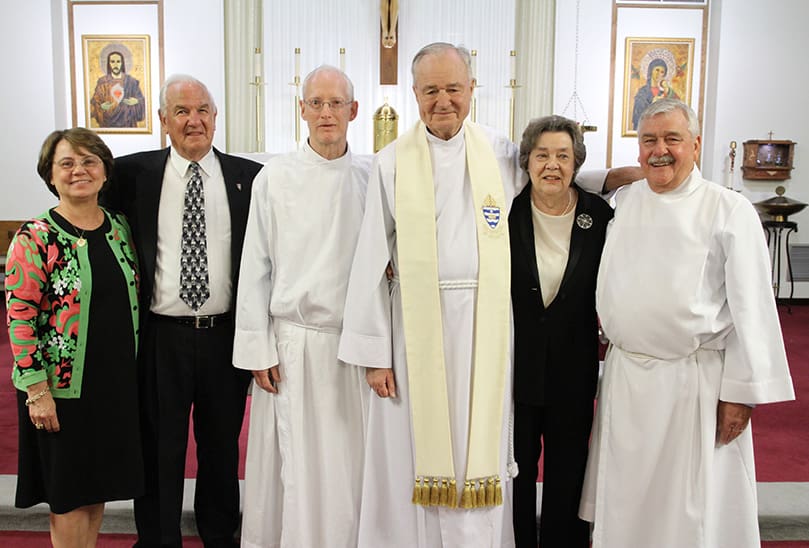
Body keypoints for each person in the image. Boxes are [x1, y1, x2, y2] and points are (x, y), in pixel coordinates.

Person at [580, 98, 795, 548]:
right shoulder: (626, 201)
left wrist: (741, 395)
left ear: (696, 145)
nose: (660, 150)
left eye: (672, 140)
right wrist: (617, 175)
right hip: (627, 380)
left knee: (691, 512)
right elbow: (569, 178)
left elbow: (752, 308)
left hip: (692, 384)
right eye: (649, 140)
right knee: (626, 502)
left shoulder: (727, 210)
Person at [338, 41, 522, 548]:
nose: (444, 101)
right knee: (415, 451)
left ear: (472, 90)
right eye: (431, 90)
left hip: (484, 326)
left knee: (476, 443)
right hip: (413, 330)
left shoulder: (503, 153)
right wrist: (375, 355)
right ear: (415, 94)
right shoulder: (391, 162)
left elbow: (560, 182)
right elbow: (371, 259)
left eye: (454, 89)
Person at [103, 74, 262, 548]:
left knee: (220, 446)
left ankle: (218, 534)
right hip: (160, 336)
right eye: (181, 111)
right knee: (159, 447)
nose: (193, 121)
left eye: (202, 111)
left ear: (216, 117)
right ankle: (157, 538)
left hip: (223, 335)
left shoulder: (250, 178)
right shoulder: (130, 176)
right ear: (163, 120)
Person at [233, 65, 370, 548]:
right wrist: (258, 349)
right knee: (295, 467)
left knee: (351, 467)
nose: (326, 112)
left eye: (336, 103)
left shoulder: (374, 177)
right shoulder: (275, 178)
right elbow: (256, 265)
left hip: (355, 349)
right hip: (292, 346)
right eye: (316, 103)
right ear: (302, 110)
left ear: (354, 111)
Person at [5, 127, 142, 547]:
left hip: (113, 388)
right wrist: (36, 390)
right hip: (62, 393)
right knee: (67, 499)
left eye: (89, 161)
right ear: (50, 175)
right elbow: (20, 317)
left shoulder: (119, 227)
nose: (78, 171)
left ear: (104, 172)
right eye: (67, 163)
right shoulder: (35, 237)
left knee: (96, 491)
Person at [510, 115, 614, 548]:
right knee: (516, 466)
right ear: (527, 161)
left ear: (576, 163)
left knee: (569, 467)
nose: (552, 165)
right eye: (542, 155)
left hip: (573, 365)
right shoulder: (506, 212)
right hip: (518, 365)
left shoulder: (600, 215)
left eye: (563, 156)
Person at [90, 50, 146, 128]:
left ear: (122, 63)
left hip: (128, 124)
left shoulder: (131, 82)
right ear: (109, 64)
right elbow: (94, 104)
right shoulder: (103, 82)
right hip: (108, 125)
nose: (115, 64)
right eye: (112, 61)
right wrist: (101, 107)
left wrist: (136, 101)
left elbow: (142, 102)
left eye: (118, 61)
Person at [631, 57, 678, 131]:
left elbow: (679, 106)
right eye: (657, 70)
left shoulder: (665, 91)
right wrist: (652, 105)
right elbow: (637, 116)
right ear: (651, 71)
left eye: (662, 72)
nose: (659, 73)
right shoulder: (643, 92)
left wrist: (668, 90)